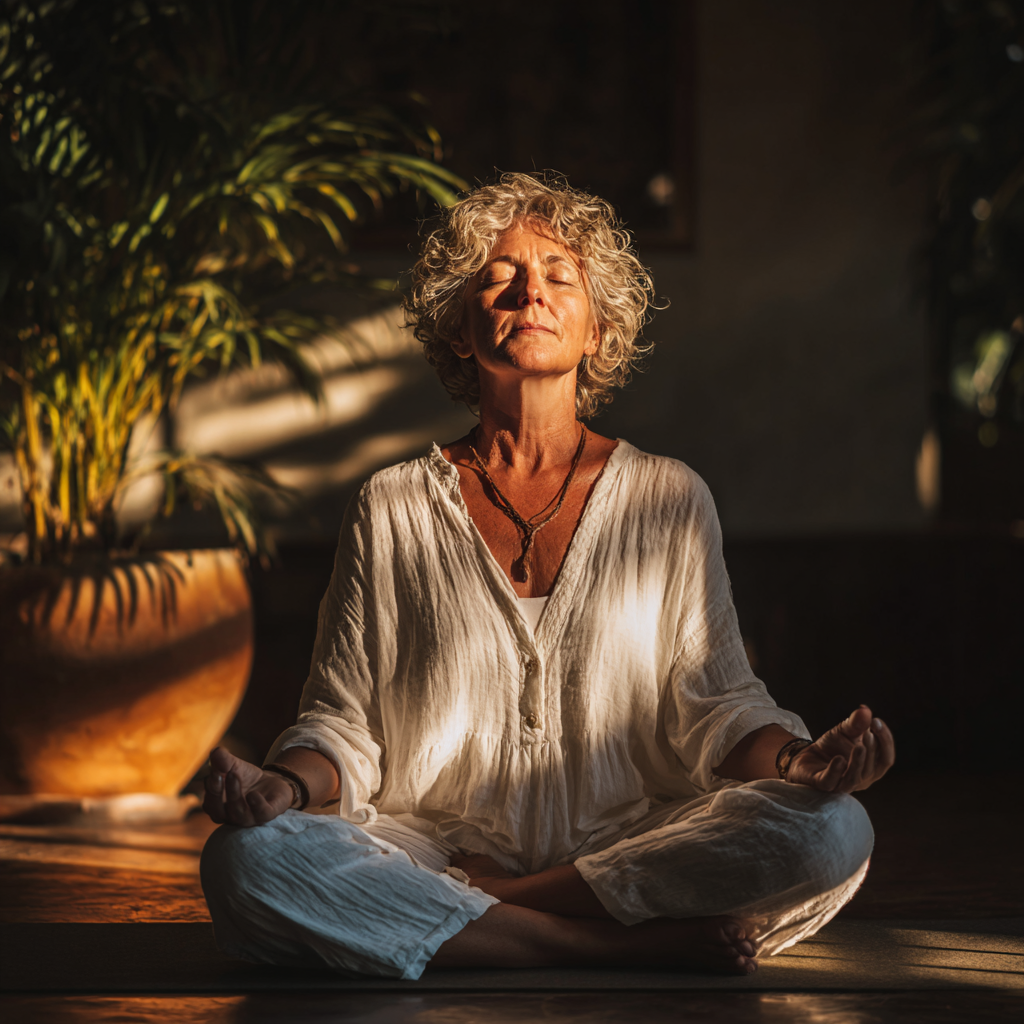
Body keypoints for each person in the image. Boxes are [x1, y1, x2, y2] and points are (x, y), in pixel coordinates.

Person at [200, 173, 894, 981]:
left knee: (834, 831)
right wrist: (282, 788)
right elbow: (342, 723)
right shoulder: (392, 506)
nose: (530, 291)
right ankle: (602, 945)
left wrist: (801, 764)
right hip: (429, 848)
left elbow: (720, 707)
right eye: (500, 280)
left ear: (598, 331)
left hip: (630, 841)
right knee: (242, 862)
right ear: (462, 331)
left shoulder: (668, 497)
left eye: (560, 277)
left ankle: (505, 911)